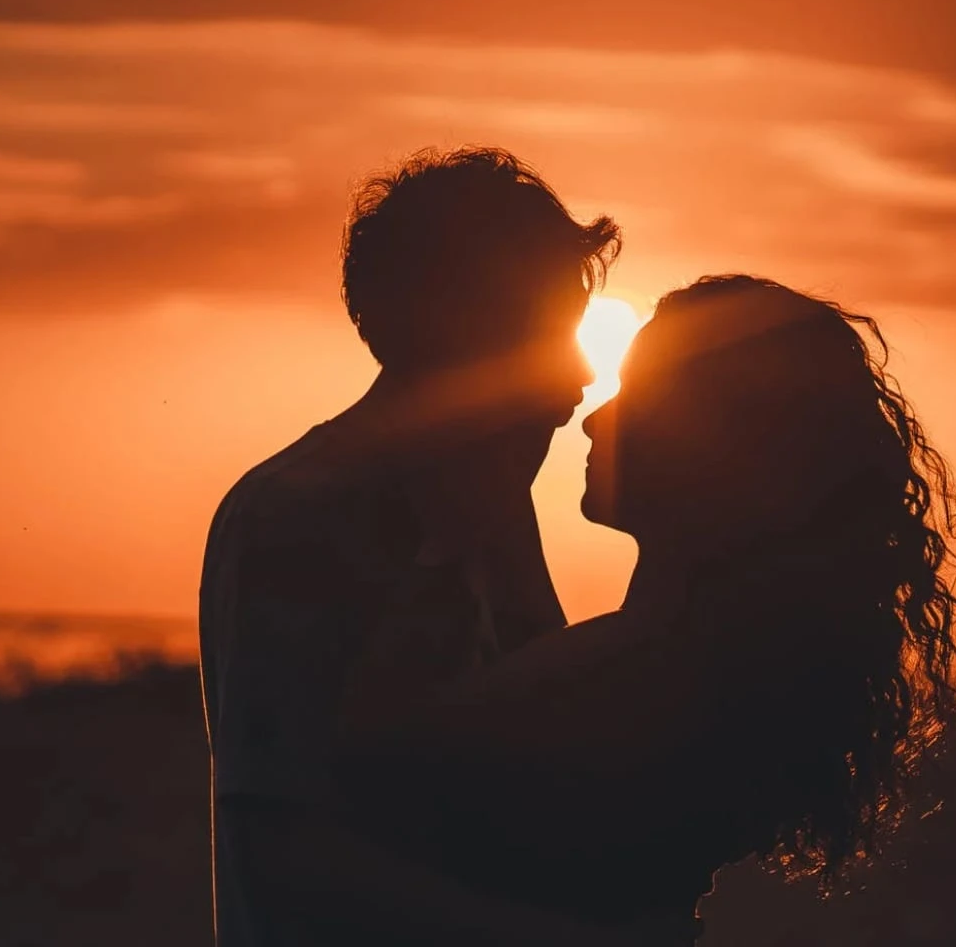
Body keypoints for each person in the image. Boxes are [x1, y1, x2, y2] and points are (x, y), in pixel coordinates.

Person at [332, 274, 956, 943]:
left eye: (632, 396)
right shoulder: (707, 665)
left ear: (704, 445)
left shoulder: (634, 680)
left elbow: (362, 771)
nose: (592, 418)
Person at [197, 146, 650, 947]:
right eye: (549, 333)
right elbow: (282, 851)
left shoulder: (486, 519)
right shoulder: (299, 517)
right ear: (463, 333)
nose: (581, 378)